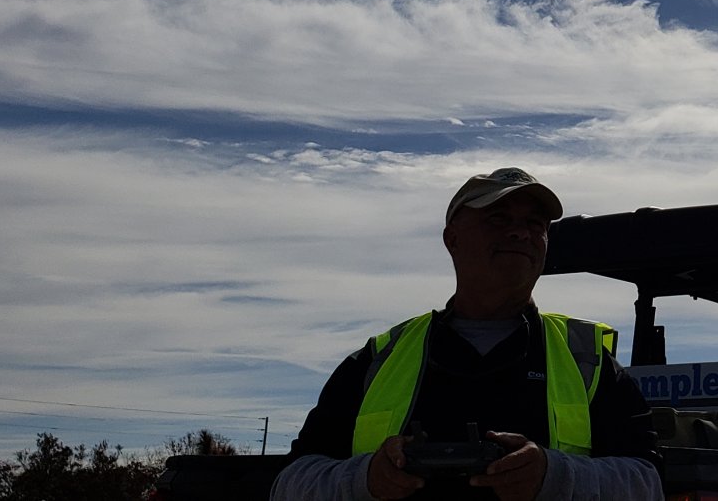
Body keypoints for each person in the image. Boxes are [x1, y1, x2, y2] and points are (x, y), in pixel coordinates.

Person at [272, 168, 661, 501]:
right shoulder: (378, 360)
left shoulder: (588, 362)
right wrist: (366, 480)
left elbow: (649, 484)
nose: (520, 233)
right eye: (498, 219)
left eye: (535, 224)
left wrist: (553, 476)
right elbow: (288, 484)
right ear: (452, 239)